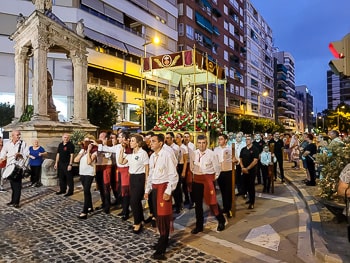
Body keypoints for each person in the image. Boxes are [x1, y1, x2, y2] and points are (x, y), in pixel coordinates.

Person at [144, 133, 178, 260]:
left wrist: (168, 191)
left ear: (160, 143)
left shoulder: (167, 155)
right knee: (158, 216)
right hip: (155, 188)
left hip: (164, 187)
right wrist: (147, 189)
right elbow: (151, 174)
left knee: (164, 217)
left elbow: (173, 174)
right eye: (150, 141)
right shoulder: (152, 156)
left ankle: (161, 250)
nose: (150, 143)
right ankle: (162, 239)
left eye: (153, 141)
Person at [190, 134, 226, 234]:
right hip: (197, 180)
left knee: (212, 202)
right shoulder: (194, 153)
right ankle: (199, 226)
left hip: (208, 179)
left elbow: (217, 168)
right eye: (199, 143)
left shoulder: (212, 154)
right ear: (197, 143)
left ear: (207, 143)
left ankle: (221, 220)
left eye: (204, 143)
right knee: (198, 204)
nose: (201, 145)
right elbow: (191, 166)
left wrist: (212, 179)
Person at [119, 134, 149, 234]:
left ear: (138, 143)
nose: (130, 142)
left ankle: (137, 223)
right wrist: (121, 149)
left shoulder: (143, 153)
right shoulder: (130, 154)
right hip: (132, 177)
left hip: (140, 177)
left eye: (132, 141)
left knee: (134, 201)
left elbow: (147, 168)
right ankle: (140, 219)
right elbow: (121, 162)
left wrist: (146, 183)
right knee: (135, 201)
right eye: (130, 141)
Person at [0, 130, 29, 208]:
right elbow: (3, 152)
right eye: (17, 135)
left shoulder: (23, 143)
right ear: (12, 136)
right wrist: (2, 158)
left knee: (17, 186)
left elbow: (27, 154)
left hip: (18, 167)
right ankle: (13, 200)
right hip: (10, 167)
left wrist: (21, 155)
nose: (19, 136)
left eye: (19, 135)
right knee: (13, 185)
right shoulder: (7, 144)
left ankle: (16, 202)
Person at [74, 135, 98, 219]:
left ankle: (84, 212)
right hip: (82, 172)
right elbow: (76, 160)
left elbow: (89, 162)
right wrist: (82, 153)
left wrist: (88, 151)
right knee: (86, 191)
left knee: (86, 191)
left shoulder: (94, 151)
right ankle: (90, 207)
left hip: (89, 173)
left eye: (88, 141)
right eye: (85, 141)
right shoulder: (82, 150)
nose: (86, 143)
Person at [214, 134, 233, 218]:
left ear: (225, 140)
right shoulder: (216, 149)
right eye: (219, 139)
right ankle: (225, 207)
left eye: (221, 139)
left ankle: (229, 208)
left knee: (228, 191)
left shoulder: (230, 149)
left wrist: (235, 160)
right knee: (222, 191)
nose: (219, 141)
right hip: (219, 172)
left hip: (228, 171)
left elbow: (236, 159)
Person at [239, 135, 259, 209]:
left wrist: (247, 168)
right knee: (245, 185)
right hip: (244, 170)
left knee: (251, 186)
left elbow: (255, 161)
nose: (247, 140)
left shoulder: (255, 149)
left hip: (251, 171)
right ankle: (249, 198)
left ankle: (252, 202)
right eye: (246, 139)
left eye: (248, 139)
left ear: (251, 140)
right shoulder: (243, 149)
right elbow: (240, 158)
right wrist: (242, 167)